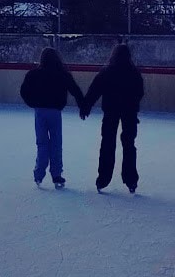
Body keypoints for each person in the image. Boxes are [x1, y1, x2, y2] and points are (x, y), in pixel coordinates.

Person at [81, 43, 145, 194]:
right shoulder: (134, 73)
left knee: (107, 144)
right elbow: (139, 92)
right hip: (129, 113)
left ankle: (103, 179)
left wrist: (86, 106)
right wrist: (133, 106)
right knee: (129, 145)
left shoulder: (107, 72)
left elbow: (94, 90)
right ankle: (131, 180)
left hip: (110, 111)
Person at [20, 47, 84, 188]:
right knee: (56, 143)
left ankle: (38, 174)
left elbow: (24, 91)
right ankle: (56, 175)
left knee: (42, 144)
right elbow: (75, 90)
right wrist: (83, 107)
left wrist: (33, 103)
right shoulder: (62, 74)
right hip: (55, 112)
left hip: (40, 112)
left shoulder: (33, 74)